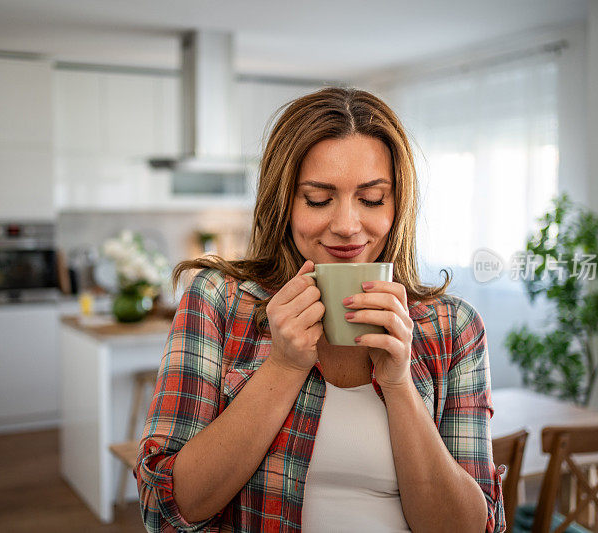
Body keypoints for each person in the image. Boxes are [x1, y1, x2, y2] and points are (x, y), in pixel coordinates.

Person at [134, 87, 506, 532]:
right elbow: (167, 510)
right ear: (283, 203)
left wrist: (398, 382)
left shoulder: (453, 327)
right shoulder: (218, 299)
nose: (347, 226)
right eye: (317, 198)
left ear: (398, 205)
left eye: (371, 198)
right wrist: (284, 366)